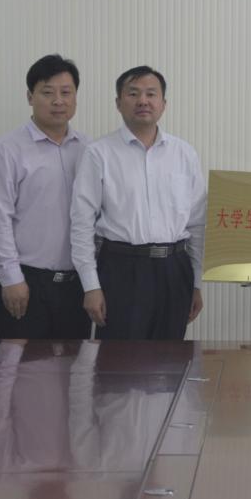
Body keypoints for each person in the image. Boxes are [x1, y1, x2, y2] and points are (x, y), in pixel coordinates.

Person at [70, 65, 206, 340]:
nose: (143, 101)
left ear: (163, 104)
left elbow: (197, 224)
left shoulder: (184, 154)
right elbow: (82, 224)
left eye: (151, 94)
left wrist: (196, 282)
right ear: (118, 103)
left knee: (170, 358)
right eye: (133, 94)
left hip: (174, 269)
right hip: (121, 270)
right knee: (118, 360)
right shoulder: (99, 153)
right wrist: (91, 286)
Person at [0, 54, 90, 340]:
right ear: (30, 96)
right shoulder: (7, 149)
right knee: (21, 365)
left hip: (77, 284)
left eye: (66, 92)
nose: (58, 101)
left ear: (76, 97)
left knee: (75, 363)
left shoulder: (89, 149)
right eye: (47, 92)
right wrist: (11, 279)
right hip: (26, 281)